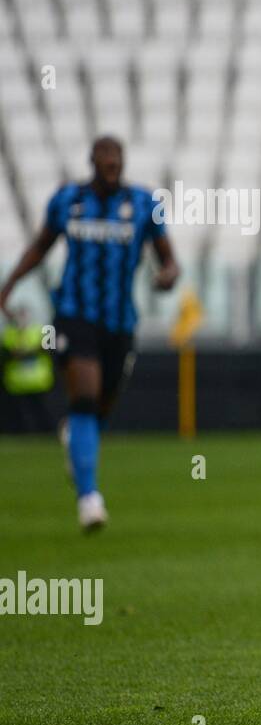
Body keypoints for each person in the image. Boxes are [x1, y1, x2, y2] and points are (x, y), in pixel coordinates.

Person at [0, 136, 180, 530]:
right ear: (93, 163)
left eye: (118, 162)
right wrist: (10, 283)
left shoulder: (143, 204)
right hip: (74, 315)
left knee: (101, 406)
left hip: (120, 322)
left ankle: (76, 442)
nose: (112, 168)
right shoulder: (68, 200)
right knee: (83, 396)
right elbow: (41, 246)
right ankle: (89, 498)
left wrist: (167, 276)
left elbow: (168, 259)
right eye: (106, 162)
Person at [1, 306, 56, 433]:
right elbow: (5, 353)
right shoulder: (9, 332)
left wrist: (29, 352)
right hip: (17, 384)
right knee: (21, 418)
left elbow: (50, 349)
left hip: (39, 382)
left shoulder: (39, 330)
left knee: (42, 414)